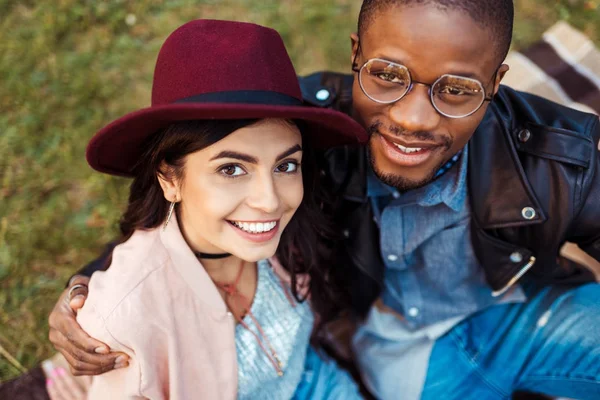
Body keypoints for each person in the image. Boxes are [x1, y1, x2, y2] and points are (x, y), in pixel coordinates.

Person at [48, 1, 600, 399]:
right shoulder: (303, 127)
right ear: (357, 54)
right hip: (399, 358)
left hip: (520, 314)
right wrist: (86, 297)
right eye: (387, 76)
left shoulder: (564, 155)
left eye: (456, 89)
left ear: (497, 82)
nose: (411, 118)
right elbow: (183, 212)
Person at [48, 18, 366, 400]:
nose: (270, 200)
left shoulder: (297, 227)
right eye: (231, 169)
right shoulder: (123, 317)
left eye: (286, 165)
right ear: (169, 179)